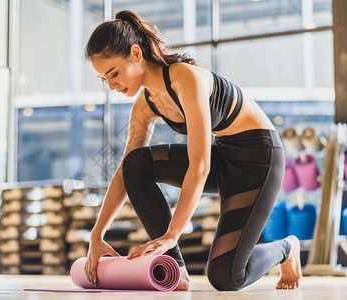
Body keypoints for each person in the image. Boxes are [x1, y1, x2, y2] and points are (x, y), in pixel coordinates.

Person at [83, 10, 302, 291]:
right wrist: (97, 234)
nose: (112, 85)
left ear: (136, 54)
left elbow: (200, 166)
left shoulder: (185, 78)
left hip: (259, 162)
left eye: (114, 73)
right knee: (135, 164)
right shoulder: (145, 105)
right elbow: (125, 172)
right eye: (104, 79)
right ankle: (176, 269)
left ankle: (287, 248)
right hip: (222, 157)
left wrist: (172, 234)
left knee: (226, 277)